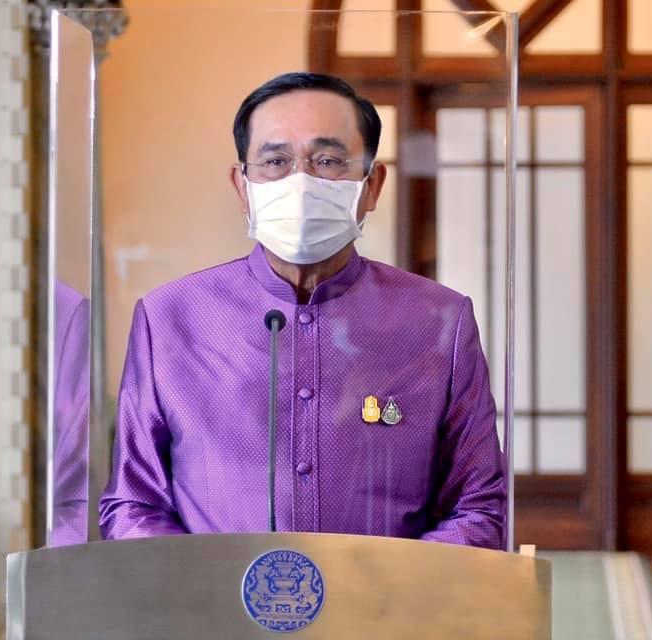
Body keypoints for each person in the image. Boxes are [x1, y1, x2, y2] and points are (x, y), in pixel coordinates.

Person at [99, 72, 506, 548]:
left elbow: (479, 509)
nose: (301, 182)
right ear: (242, 187)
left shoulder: (438, 322)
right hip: (212, 597)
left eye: (328, 160)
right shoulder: (170, 319)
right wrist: (207, 586)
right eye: (276, 161)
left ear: (372, 186)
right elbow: (132, 506)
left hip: (389, 597)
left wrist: (386, 585)